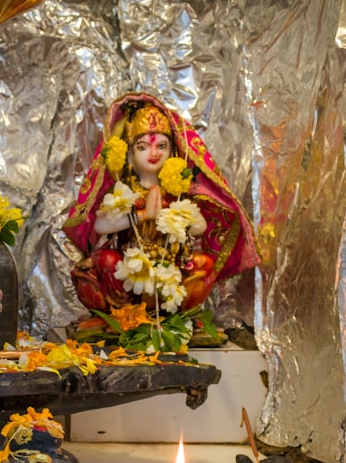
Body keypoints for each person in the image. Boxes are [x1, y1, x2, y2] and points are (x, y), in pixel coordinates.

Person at [63, 92, 259, 316]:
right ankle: (127, 315)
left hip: (169, 270)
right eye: (143, 147)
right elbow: (100, 226)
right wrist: (144, 214)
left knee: (203, 264)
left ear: (173, 152)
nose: (154, 153)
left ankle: (168, 313)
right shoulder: (123, 191)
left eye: (162, 146)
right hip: (129, 269)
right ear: (129, 155)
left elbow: (201, 228)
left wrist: (170, 211)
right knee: (106, 261)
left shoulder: (177, 193)